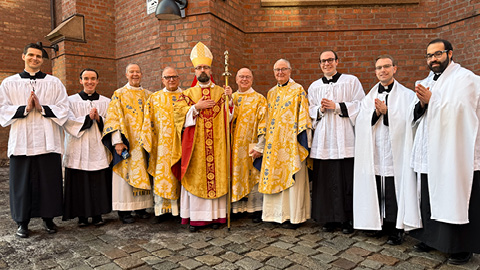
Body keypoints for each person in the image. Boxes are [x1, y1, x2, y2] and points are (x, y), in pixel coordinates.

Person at [406, 39, 480, 265]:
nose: (432, 59)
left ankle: (461, 247)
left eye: (437, 54)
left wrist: (433, 100)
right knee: (427, 194)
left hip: (453, 152)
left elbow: (464, 110)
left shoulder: (466, 79)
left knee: (454, 195)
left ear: (450, 53)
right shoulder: (427, 80)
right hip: (429, 150)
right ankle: (430, 238)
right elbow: (414, 112)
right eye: (429, 56)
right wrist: (420, 104)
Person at [0, 43, 69, 238]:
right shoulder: (9, 83)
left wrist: (42, 108)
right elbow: (2, 109)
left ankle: (48, 218)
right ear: (23, 57)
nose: (34, 58)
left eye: (38, 56)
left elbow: (64, 108)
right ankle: (22, 222)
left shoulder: (54, 83)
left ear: (42, 59)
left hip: (48, 141)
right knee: (21, 184)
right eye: (31, 55)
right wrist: (25, 109)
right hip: (22, 141)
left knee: (49, 182)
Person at [353, 55, 416, 245]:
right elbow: (361, 121)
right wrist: (376, 113)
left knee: (392, 188)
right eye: (379, 67)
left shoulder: (407, 95)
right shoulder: (368, 97)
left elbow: (410, 121)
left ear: (394, 69)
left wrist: (388, 113)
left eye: (387, 66)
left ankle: (396, 228)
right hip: (375, 151)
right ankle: (376, 223)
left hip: (394, 151)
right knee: (375, 186)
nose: (383, 70)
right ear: (375, 72)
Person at [171, 42, 233, 232]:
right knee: (197, 178)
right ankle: (197, 219)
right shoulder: (187, 94)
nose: (202, 70)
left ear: (210, 69)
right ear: (194, 71)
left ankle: (217, 218)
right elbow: (178, 117)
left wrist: (230, 101)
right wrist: (195, 108)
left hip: (218, 146)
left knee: (217, 177)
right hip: (196, 148)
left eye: (205, 67)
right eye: (199, 68)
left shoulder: (222, 92)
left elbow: (229, 118)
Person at [308, 50, 364, 234]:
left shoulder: (351, 81)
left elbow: (361, 104)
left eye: (330, 60)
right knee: (324, 180)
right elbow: (308, 111)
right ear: (320, 64)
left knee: (345, 180)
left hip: (344, 137)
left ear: (337, 61)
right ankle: (328, 218)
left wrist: (338, 106)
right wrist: (320, 110)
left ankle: (347, 219)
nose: (326, 64)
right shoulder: (314, 86)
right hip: (324, 139)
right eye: (323, 61)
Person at [254, 59, 312, 229]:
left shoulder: (298, 90)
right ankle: (276, 215)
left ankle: (294, 217)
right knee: (273, 177)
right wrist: (261, 144)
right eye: (277, 70)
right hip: (273, 145)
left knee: (292, 181)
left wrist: (301, 140)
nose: (280, 73)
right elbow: (266, 120)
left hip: (290, 144)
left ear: (290, 71)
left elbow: (303, 116)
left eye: (283, 69)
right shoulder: (271, 93)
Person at [102, 63, 153, 224]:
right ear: (126, 75)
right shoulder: (119, 94)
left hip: (143, 143)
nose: (135, 74)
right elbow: (113, 118)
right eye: (131, 72)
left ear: (141, 74)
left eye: (138, 71)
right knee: (125, 176)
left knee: (143, 174)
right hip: (127, 142)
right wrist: (117, 142)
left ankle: (141, 208)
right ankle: (124, 210)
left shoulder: (148, 95)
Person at [62, 68, 112, 227]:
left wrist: (100, 118)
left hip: (97, 146)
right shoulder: (70, 101)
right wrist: (87, 119)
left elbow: (112, 122)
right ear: (80, 81)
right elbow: (67, 121)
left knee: (98, 182)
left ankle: (97, 215)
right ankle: (81, 216)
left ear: (97, 81)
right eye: (86, 78)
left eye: (93, 79)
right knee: (80, 183)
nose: (89, 82)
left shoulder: (106, 101)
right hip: (78, 147)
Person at [141, 67, 182, 223]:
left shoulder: (185, 96)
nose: (171, 80)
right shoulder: (154, 98)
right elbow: (148, 121)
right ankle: (161, 211)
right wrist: (148, 142)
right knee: (162, 176)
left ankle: (178, 211)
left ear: (179, 79)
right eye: (167, 77)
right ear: (162, 79)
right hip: (161, 146)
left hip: (180, 144)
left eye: (174, 77)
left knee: (178, 176)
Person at [226, 68, 267, 223]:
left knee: (253, 176)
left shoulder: (259, 99)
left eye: (247, 77)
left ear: (252, 79)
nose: (244, 79)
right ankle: (237, 208)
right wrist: (229, 101)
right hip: (233, 146)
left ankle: (255, 209)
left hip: (251, 145)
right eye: (241, 77)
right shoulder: (232, 97)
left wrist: (260, 146)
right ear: (236, 79)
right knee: (235, 175)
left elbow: (264, 123)